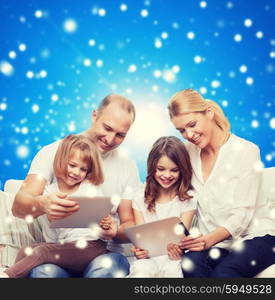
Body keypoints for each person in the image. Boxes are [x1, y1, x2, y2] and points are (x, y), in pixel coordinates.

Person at [12, 94, 141, 278]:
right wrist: (43, 204)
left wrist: (114, 231)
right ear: (94, 116)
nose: (110, 139)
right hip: (59, 254)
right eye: (107, 128)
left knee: (105, 268)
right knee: (44, 272)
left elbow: (129, 223)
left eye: (120, 135)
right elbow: (18, 207)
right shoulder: (53, 152)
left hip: (104, 253)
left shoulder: (127, 166)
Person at [167, 88, 275, 277]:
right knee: (190, 263)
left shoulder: (246, 151)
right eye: (182, 130)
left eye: (192, 124)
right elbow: (173, 192)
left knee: (225, 273)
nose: (189, 134)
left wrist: (207, 241)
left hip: (257, 237)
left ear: (209, 113)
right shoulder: (187, 152)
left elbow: (242, 214)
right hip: (217, 243)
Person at [1, 134, 115, 278]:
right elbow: (52, 235)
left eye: (83, 169)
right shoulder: (49, 191)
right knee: (27, 250)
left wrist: (105, 223)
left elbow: (104, 214)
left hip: (92, 247)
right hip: (66, 248)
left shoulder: (89, 188)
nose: (76, 172)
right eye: (72, 165)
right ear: (61, 161)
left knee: (42, 252)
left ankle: (7, 276)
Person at [128, 136, 197, 278]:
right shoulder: (139, 196)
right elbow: (141, 238)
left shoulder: (188, 197)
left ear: (182, 170)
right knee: (142, 271)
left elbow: (182, 239)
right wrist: (139, 251)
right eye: (161, 169)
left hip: (174, 260)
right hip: (148, 259)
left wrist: (178, 251)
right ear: (152, 167)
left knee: (174, 272)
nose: (167, 175)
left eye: (174, 170)